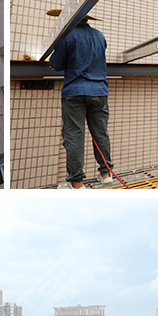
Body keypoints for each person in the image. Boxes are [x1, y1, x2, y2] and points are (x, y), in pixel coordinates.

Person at [47, 10, 115, 189]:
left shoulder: (67, 36)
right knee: (101, 132)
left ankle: (77, 184)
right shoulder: (100, 36)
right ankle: (106, 174)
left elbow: (56, 64)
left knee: (74, 136)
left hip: (75, 92)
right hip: (99, 91)